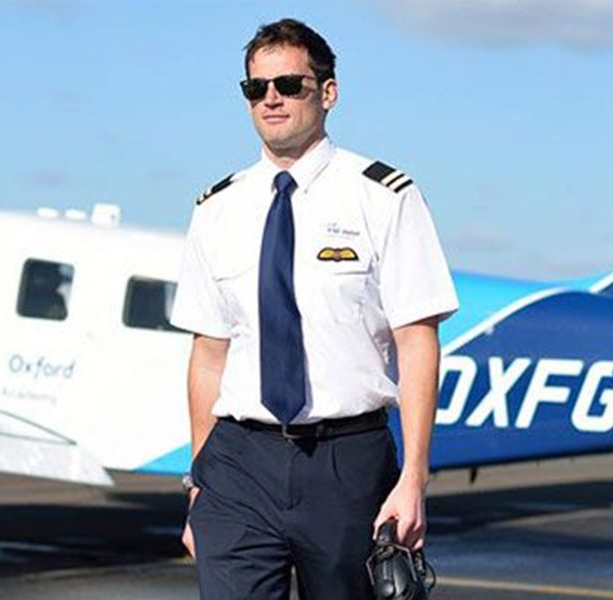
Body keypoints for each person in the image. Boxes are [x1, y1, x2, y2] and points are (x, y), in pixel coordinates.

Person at [170, 17, 458, 599]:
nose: (271, 99)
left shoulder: (384, 197)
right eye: (256, 88)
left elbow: (417, 341)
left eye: (288, 85)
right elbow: (208, 353)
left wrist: (414, 478)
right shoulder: (216, 209)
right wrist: (200, 483)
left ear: (328, 92)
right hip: (237, 465)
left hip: (345, 462)